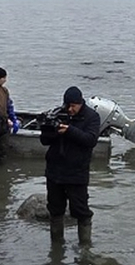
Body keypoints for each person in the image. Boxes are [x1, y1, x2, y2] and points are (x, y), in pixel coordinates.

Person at [40, 86, 100, 247]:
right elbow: (44, 140)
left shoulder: (92, 117)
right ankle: (56, 247)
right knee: (55, 209)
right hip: (55, 172)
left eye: (74, 105)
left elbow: (90, 140)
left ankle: (85, 248)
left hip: (77, 173)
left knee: (81, 211)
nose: (70, 109)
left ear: (81, 103)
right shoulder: (59, 114)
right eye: (68, 105)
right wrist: (51, 129)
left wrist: (69, 130)